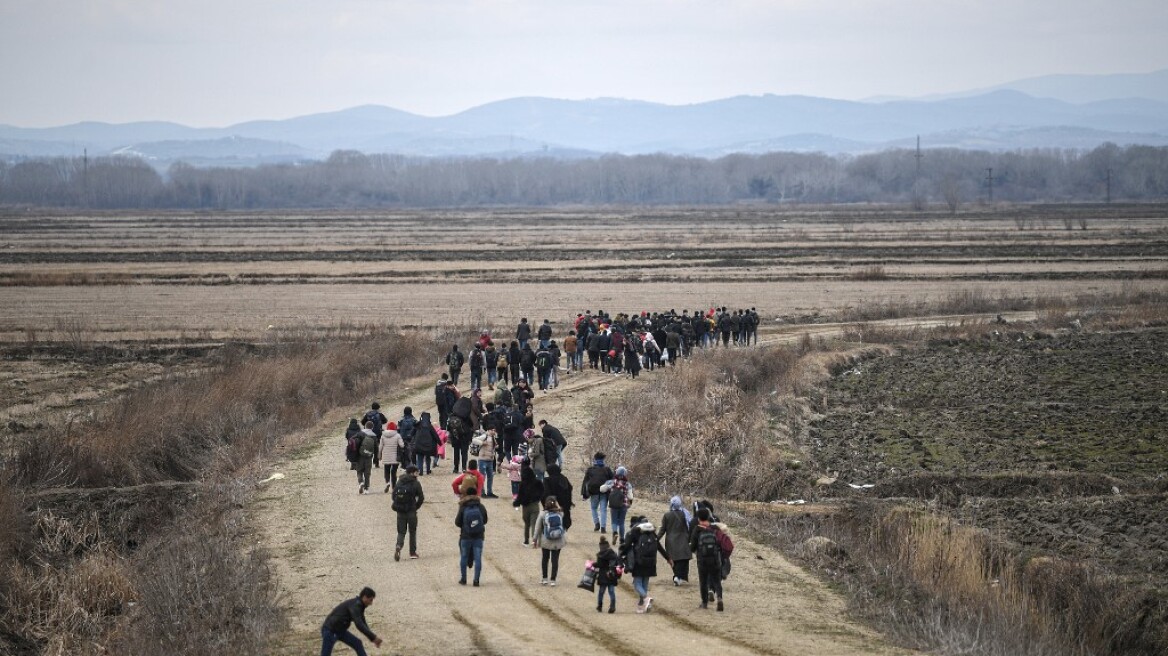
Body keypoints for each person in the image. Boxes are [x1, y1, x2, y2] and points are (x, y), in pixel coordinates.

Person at [620, 516, 667, 613]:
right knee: (644, 584)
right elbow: (660, 548)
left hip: (639, 562)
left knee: (637, 584)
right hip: (651, 563)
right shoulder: (653, 535)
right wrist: (668, 558)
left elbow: (627, 546)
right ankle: (642, 605)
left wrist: (620, 555)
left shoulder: (635, 533)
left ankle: (646, 598)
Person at [320, 587, 382, 655]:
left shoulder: (359, 606)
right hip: (330, 630)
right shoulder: (355, 606)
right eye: (370, 600)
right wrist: (374, 637)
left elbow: (363, 623)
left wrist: (373, 638)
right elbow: (359, 624)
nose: (371, 603)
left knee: (358, 643)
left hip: (340, 631)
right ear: (364, 597)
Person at [690, 507, 726, 611]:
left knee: (703, 581)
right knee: (716, 581)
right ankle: (719, 598)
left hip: (702, 560)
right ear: (709, 517)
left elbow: (692, 547)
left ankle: (704, 603)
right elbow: (721, 543)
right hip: (715, 559)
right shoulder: (715, 528)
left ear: (698, 518)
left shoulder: (697, 529)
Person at [455, 489, 488, 586]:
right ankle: (476, 580)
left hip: (465, 536)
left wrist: (465, 526)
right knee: (478, 558)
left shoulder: (463, 506)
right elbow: (485, 520)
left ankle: (463, 579)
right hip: (478, 536)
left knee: (464, 557)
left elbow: (457, 522)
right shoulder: (480, 506)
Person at [391, 464, 424, 561]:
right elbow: (421, 498)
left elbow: (393, 496)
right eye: (416, 472)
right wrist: (416, 506)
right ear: (412, 472)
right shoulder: (416, 483)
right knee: (412, 532)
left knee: (401, 532)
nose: (418, 474)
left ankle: (398, 546)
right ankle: (412, 553)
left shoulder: (399, 481)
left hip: (400, 511)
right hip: (411, 511)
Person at [659, 496, 693, 586]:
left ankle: (677, 576)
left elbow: (662, 530)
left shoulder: (667, 515)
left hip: (671, 541)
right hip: (684, 540)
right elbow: (690, 525)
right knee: (684, 560)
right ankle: (679, 577)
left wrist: (655, 539)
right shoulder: (685, 514)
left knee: (674, 560)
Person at [533, 496, 567, 586]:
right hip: (558, 541)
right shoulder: (560, 513)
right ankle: (553, 580)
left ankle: (544, 578)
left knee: (545, 559)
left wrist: (534, 539)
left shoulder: (542, 514)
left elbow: (537, 528)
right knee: (555, 560)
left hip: (546, 540)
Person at [581, 452, 614, 533]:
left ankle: (596, 523)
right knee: (603, 510)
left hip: (593, 492)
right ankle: (603, 527)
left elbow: (585, 482)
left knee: (593, 508)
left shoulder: (590, 470)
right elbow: (613, 480)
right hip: (604, 493)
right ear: (603, 460)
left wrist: (585, 494)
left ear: (595, 460)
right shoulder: (607, 469)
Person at [514, 464, 544, 546]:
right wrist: (538, 499)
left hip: (525, 506)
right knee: (535, 523)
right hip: (534, 505)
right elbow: (542, 492)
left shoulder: (522, 484)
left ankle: (526, 540)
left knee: (527, 524)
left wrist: (516, 503)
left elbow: (519, 496)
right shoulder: (538, 482)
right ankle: (535, 541)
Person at [603, 466, 634, 543]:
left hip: (614, 504)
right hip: (623, 505)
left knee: (614, 521)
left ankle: (615, 533)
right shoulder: (627, 484)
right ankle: (622, 539)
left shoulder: (612, 482)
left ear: (616, 472)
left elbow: (602, 489)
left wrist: (607, 486)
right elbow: (630, 496)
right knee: (621, 522)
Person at [542, 463, 574, 531]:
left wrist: (546, 505)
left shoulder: (547, 480)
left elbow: (545, 493)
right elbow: (570, 489)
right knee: (564, 520)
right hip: (565, 504)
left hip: (553, 505)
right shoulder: (564, 478)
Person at [595, 536, 620, 613]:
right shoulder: (613, 553)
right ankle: (612, 606)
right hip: (612, 574)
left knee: (601, 591)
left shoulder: (600, 555)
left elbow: (599, 565)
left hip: (603, 575)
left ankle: (600, 605)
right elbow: (617, 563)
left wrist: (592, 564)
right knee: (611, 591)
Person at [378, 422, 405, 493]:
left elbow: (380, 447)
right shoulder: (397, 435)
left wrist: (379, 455)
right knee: (394, 472)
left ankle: (387, 482)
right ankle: (394, 487)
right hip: (395, 456)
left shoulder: (383, 435)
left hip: (386, 456)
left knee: (386, 470)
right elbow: (402, 445)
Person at [356, 422, 379, 494]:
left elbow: (356, 445)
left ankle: (361, 482)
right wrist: (376, 459)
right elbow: (376, 448)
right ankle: (366, 488)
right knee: (367, 473)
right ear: (372, 427)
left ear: (365, 426)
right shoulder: (374, 436)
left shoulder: (360, 434)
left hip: (360, 456)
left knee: (359, 471)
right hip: (369, 457)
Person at [475, 428, 499, 498]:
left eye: (494, 430)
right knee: (482, 477)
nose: (493, 431)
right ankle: (482, 492)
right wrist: (482, 443)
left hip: (490, 460)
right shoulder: (484, 436)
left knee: (490, 477)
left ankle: (489, 492)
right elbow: (474, 440)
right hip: (483, 459)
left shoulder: (493, 437)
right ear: (488, 430)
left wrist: (496, 446)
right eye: (492, 430)